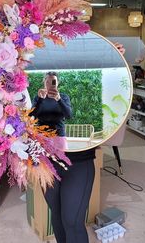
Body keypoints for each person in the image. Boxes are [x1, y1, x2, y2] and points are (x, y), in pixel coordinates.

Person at [31, 71, 96, 243]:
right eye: (48, 81)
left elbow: (68, 115)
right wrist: (38, 100)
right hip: (43, 148)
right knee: (57, 213)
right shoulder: (38, 97)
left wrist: (59, 99)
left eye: (54, 82)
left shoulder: (63, 97)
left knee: (72, 220)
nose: (50, 84)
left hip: (60, 142)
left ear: (57, 84)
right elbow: (30, 117)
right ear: (44, 82)